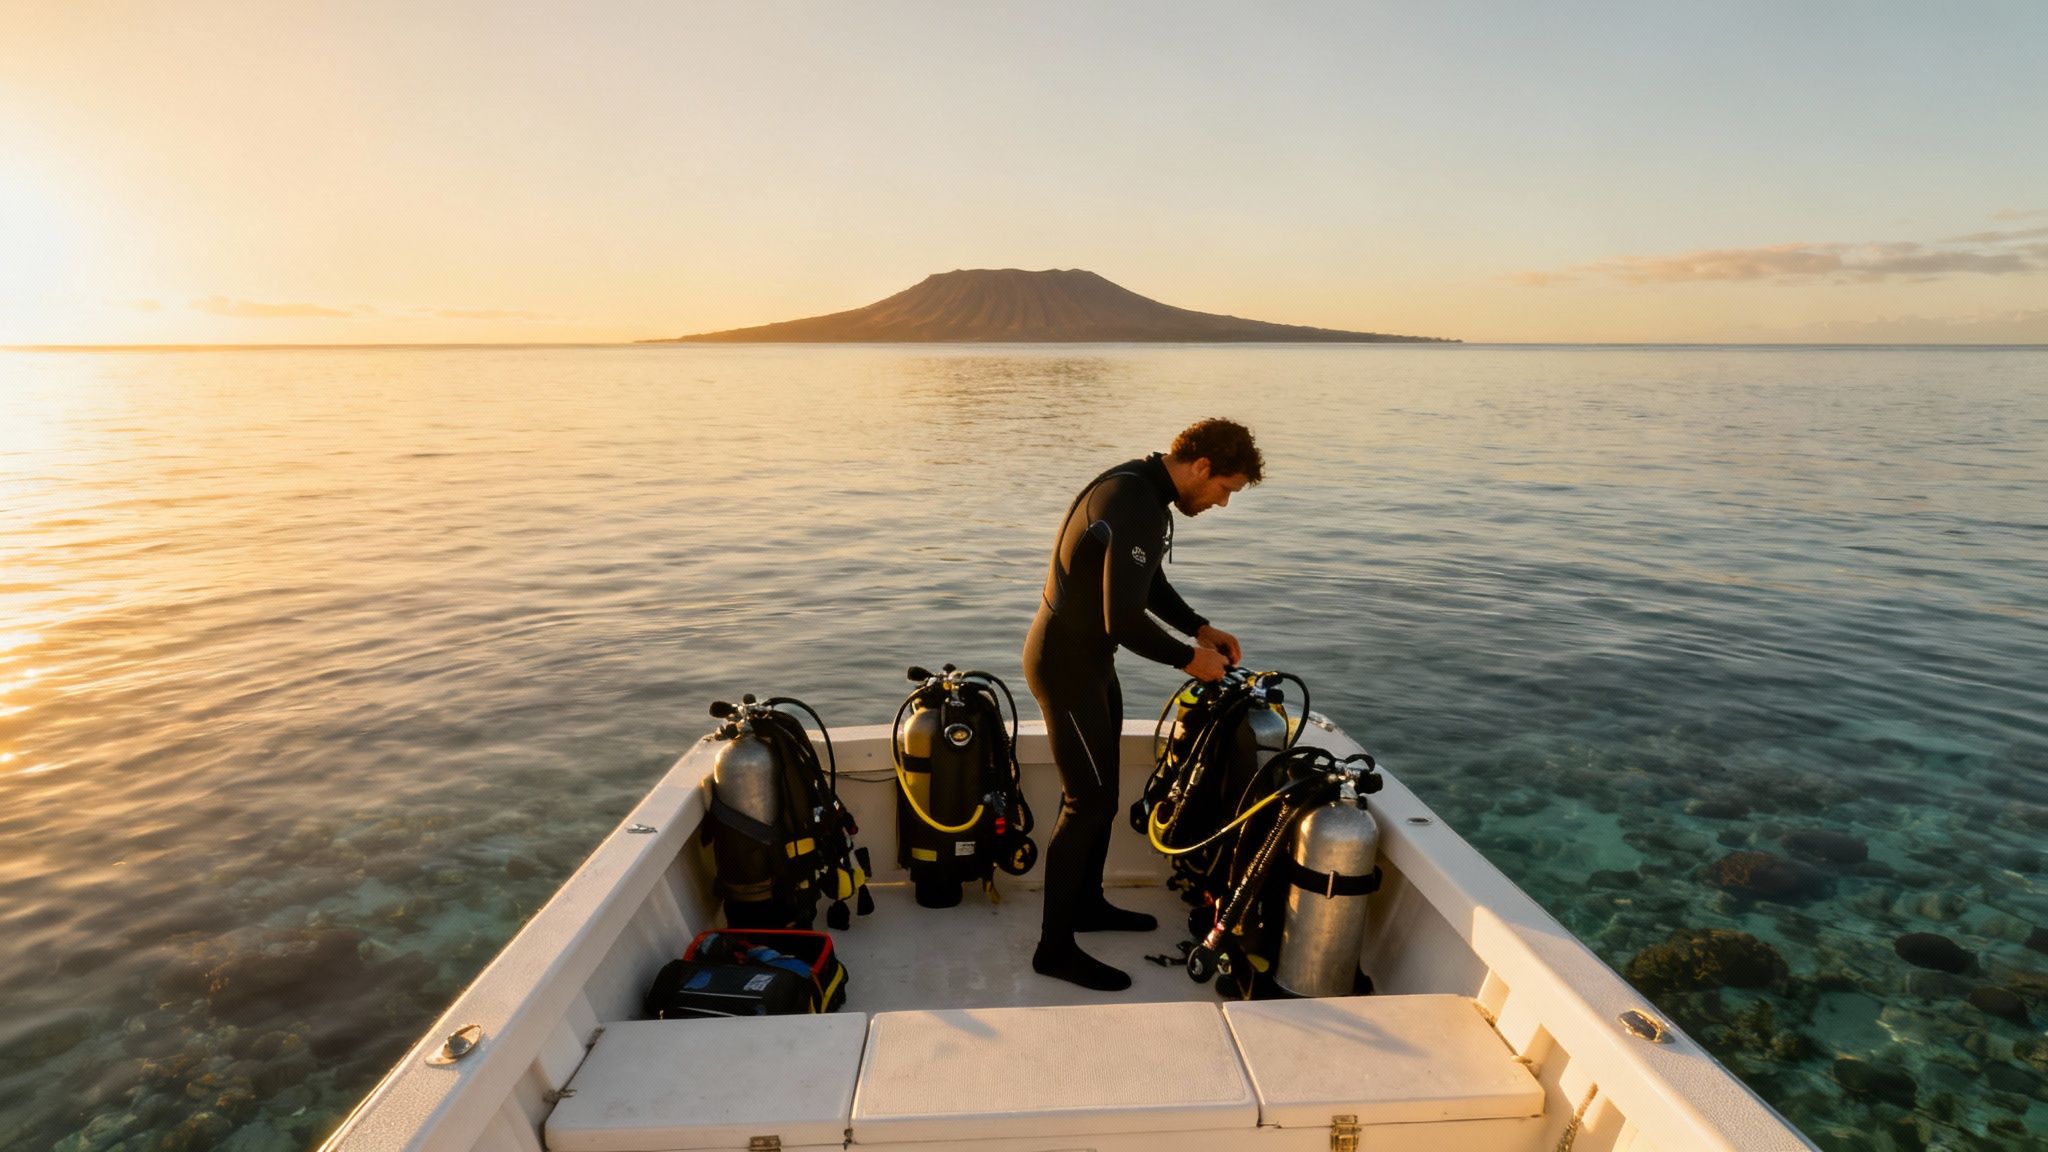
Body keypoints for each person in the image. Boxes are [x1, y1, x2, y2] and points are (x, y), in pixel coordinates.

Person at [1022, 417, 1262, 991]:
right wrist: (1188, 659)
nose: (1223, 503)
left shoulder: (1141, 489)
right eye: (1225, 488)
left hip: (1088, 663)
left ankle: (1088, 906)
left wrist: (1199, 628)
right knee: (1088, 802)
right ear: (1200, 466)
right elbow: (1122, 618)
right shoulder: (1136, 501)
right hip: (1066, 666)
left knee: (1101, 798)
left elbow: (1142, 583)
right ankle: (1054, 949)